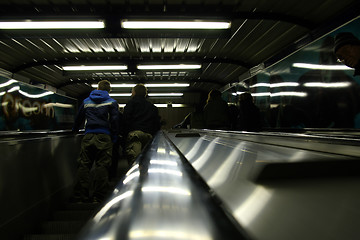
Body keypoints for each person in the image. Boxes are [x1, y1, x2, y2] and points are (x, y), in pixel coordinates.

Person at [72, 80, 119, 203]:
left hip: (88, 135)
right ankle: (98, 197)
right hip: (104, 136)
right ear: (109, 90)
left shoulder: (86, 101)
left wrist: (75, 130)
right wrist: (114, 137)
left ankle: (81, 197)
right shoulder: (112, 102)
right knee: (102, 166)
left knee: (84, 165)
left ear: (98, 88)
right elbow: (114, 121)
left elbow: (79, 118)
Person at [123, 84, 160, 165]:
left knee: (134, 161)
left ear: (134, 92)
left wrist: (125, 135)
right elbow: (156, 124)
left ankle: (135, 176)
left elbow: (126, 120)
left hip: (135, 135)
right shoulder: (152, 107)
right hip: (148, 135)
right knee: (146, 161)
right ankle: (145, 176)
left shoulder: (130, 104)